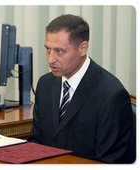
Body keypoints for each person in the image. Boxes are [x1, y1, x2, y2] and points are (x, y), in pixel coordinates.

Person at [28, 14, 133, 164]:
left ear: (82, 48)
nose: (51, 59)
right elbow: (36, 141)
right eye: (48, 49)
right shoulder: (45, 83)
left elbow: (109, 162)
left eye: (59, 51)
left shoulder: (111, 95)